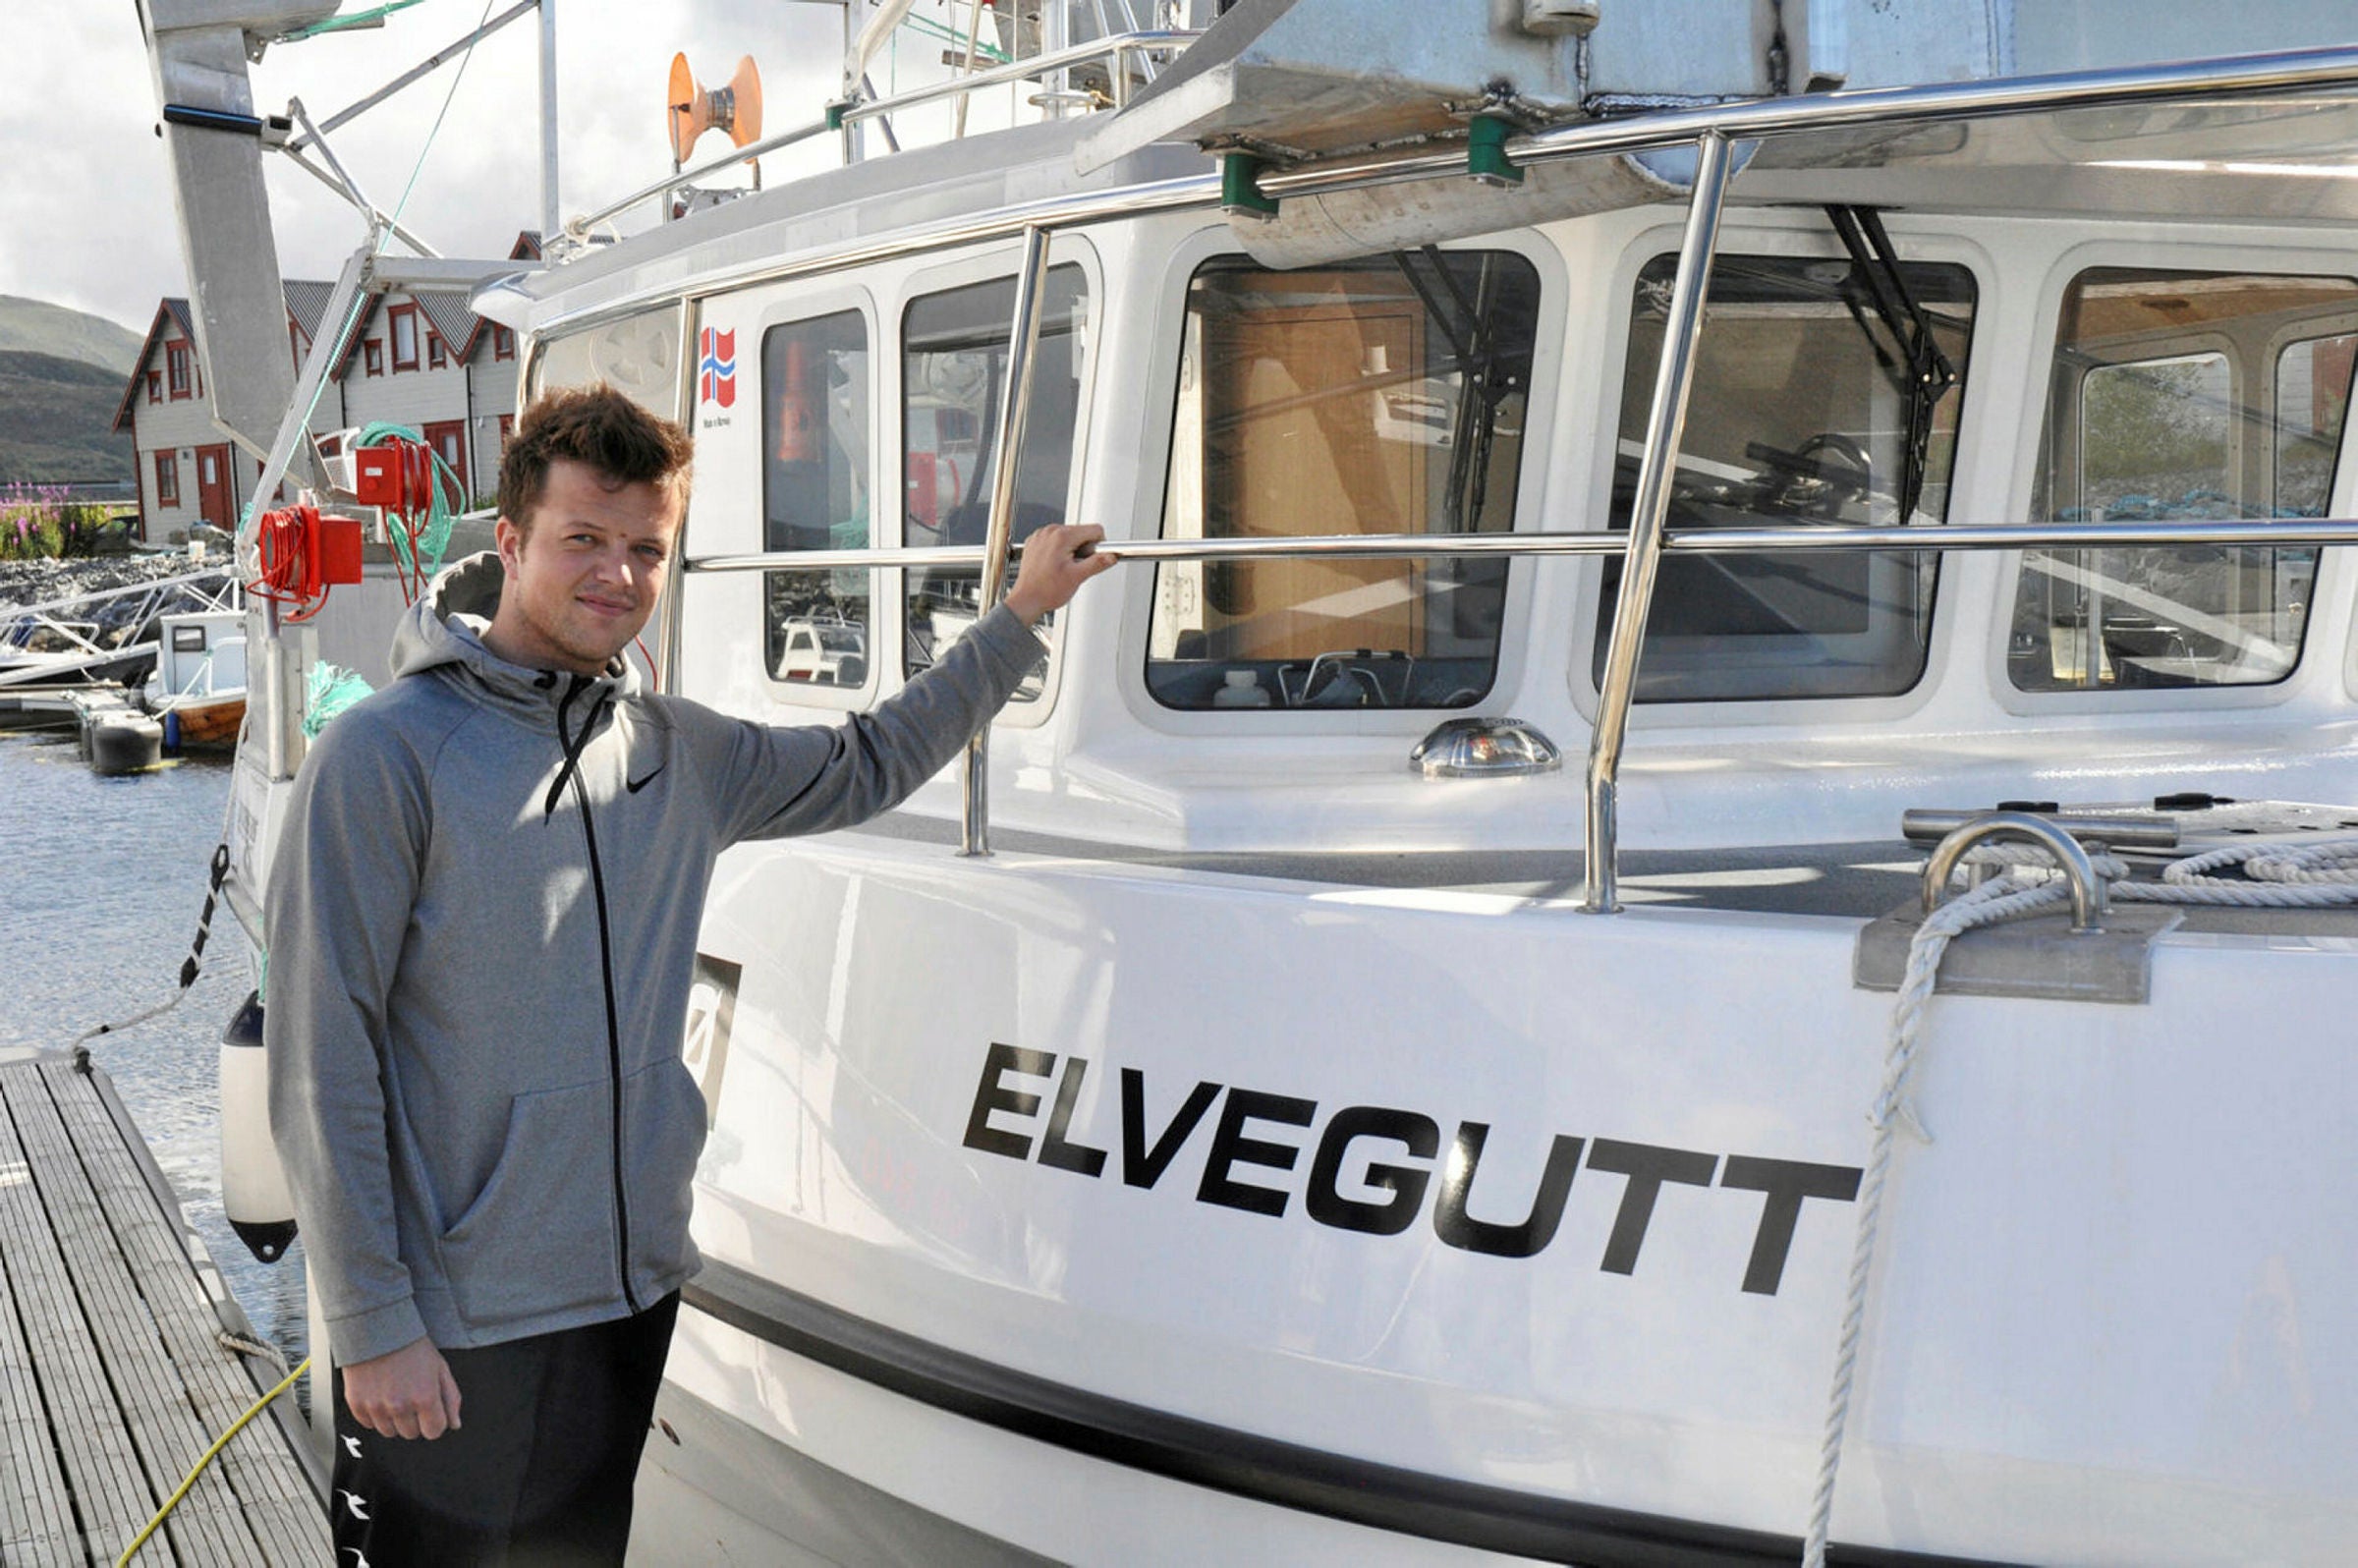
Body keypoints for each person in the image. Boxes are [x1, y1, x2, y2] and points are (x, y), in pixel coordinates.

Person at [264, 382, 1113, 1565]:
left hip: (626, 1299)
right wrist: (369, 1323)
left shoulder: (679, 753)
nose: (617, 574)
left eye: (647, 548)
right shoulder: (384, 756)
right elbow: (320, 1059)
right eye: (584, 539)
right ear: (510, 540)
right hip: (456, 1325)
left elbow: (869, 760)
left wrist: (1018, 617)